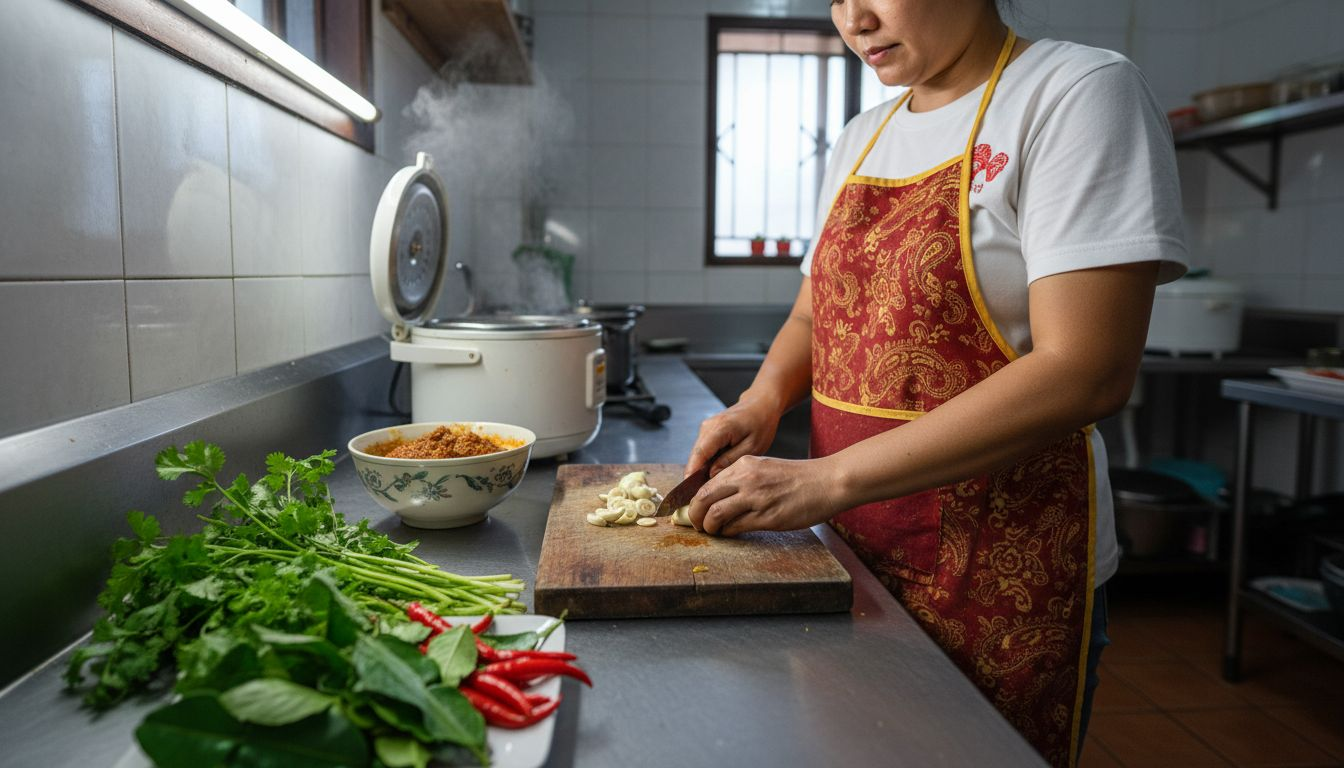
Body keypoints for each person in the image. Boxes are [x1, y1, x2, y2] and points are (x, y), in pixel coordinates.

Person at [683, 1, 1188, 766]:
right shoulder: (863, 136)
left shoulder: (1075, 91)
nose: (852, 18)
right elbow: (811, 320)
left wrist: (830, 478)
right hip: (852, 551)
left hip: (1002, 564)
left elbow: (1087, 369)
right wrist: (761, 402)